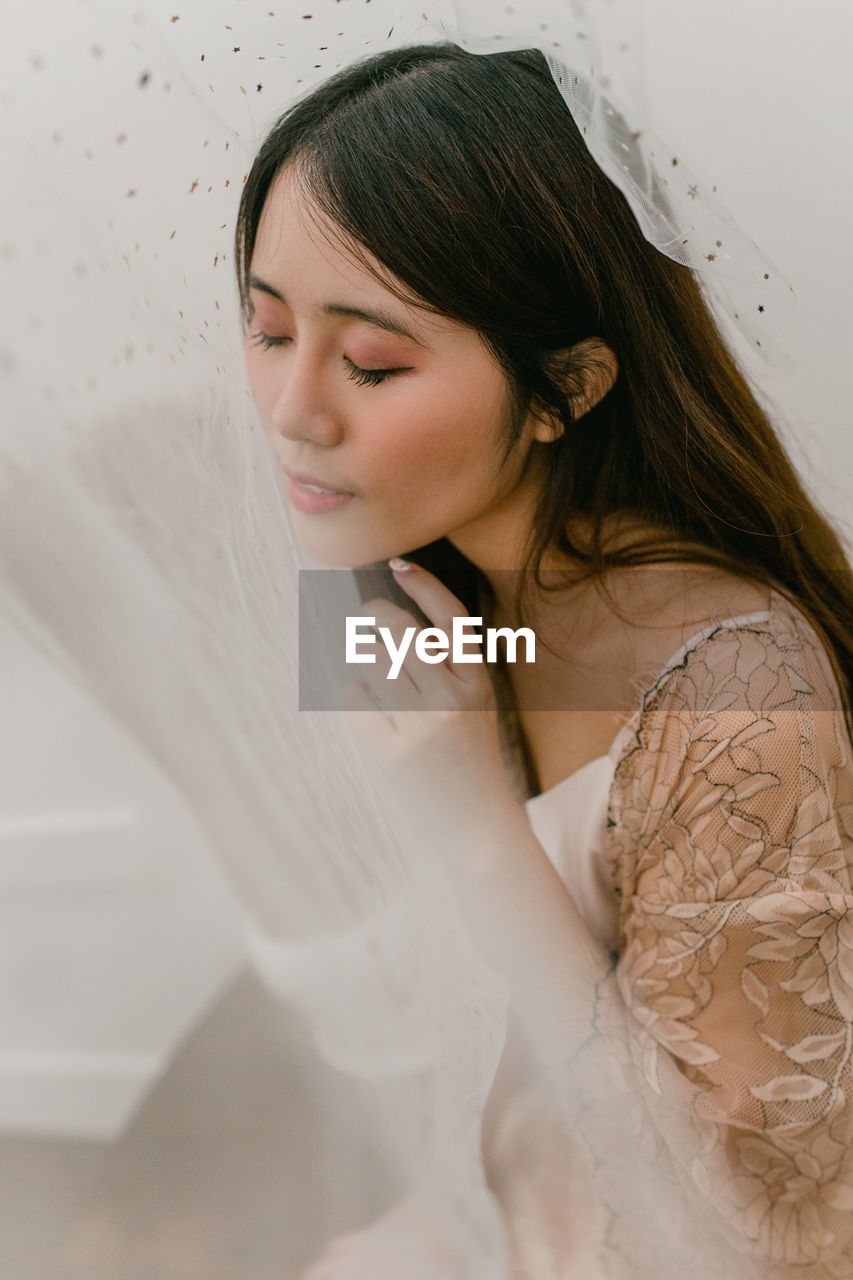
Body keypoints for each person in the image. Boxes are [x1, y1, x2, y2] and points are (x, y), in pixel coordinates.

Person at [234, 40, 853, 1279]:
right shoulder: (403, 590)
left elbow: (776, 1228)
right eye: (263, 328)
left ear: (566, 386)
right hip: (485, 1198)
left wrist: (474, 824)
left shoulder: (739, 702)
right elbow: (439, 1004)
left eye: (369, 362)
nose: (292, 408)